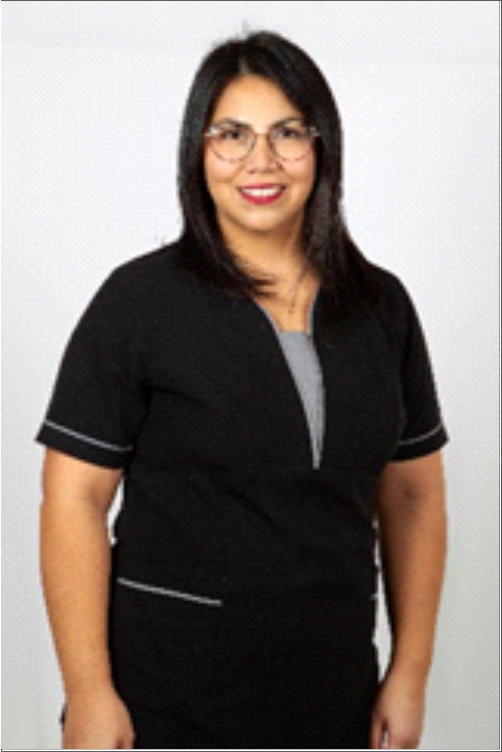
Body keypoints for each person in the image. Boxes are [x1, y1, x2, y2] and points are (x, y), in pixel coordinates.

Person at [36, 30, 449, 750]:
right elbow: (73, 499)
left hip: (334, 698)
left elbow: (413, 496)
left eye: (288, 133)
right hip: (167, 699)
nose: (262, 160)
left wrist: (410, 670)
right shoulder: (139, 303)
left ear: (322, 148)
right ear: (198, 153)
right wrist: (88, 692)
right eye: (232, 135)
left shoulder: (381, 308)